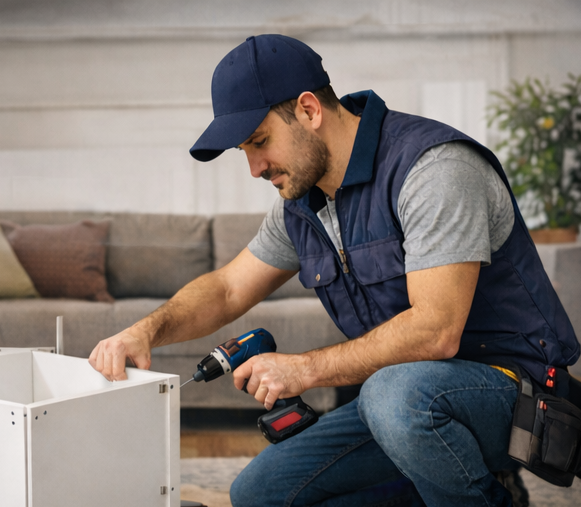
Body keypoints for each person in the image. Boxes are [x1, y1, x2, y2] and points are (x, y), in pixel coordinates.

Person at [89, 34, 580, 506]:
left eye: (260, 141)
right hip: (405, 402)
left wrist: (304, 369)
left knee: (393, 393)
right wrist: (146, 331)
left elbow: (436, 332)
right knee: (261, 494)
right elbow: (225, 290)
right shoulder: (302, 205)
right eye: (245, 151)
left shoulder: (432, 168)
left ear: (308, 109)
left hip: (518, 396)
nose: (255, 168)